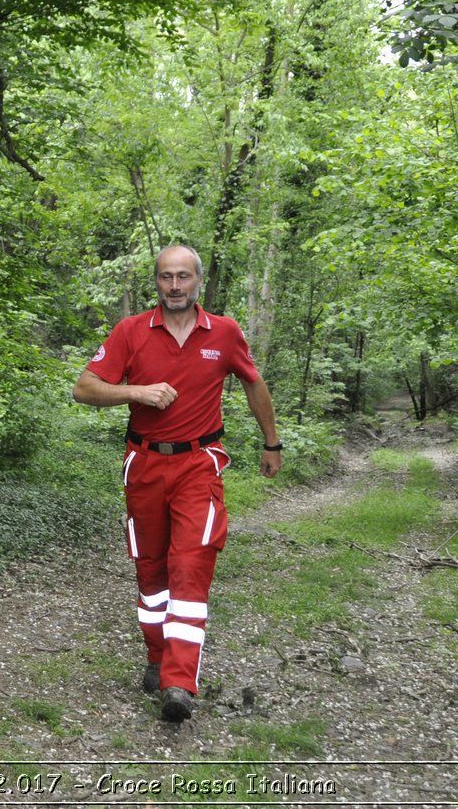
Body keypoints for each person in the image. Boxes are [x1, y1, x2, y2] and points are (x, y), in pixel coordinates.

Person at [72, 244, 281, 722]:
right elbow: (84, 387)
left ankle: (179, 682)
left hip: (198, 466)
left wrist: (272, 442)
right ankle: (156, 654)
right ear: (157, 281)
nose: (174, 286)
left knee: (190, 566)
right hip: (144, 464)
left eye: (183, 277)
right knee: (152, 573)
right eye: (166, 277)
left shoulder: (224, 333)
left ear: (197, 281)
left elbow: (252, 382)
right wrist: (135, 391)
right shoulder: (131, 331)